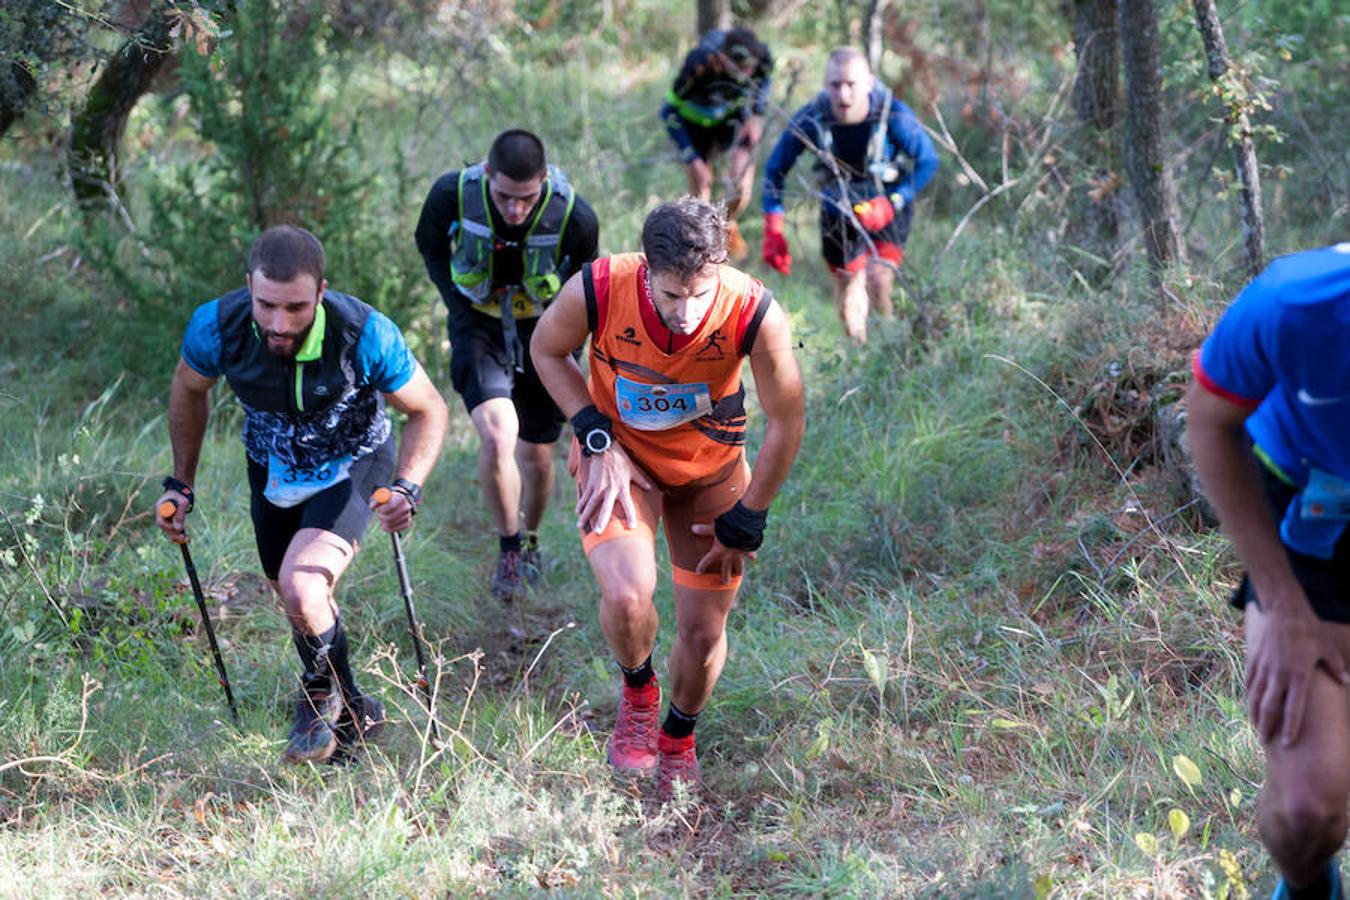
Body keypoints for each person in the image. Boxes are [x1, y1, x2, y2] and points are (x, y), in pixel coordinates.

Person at [531, 198, 804, 798]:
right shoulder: (601, 287)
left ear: (721, 269)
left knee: (703, 633)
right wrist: (592, 432)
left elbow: (787, 420)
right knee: (629, 598)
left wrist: (750, 515)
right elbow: (546, 350)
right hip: (619, 461)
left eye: (699, 294)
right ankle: (638, 694)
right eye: (671, 295)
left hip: (710, 474)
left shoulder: (754, 310)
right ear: (646, 269)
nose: (685, 313)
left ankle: (679, 737)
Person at [155, 225, 449, 764]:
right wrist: (181, 481)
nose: (278, 323)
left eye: (296, 307)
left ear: (321, 291)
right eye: (266, 304)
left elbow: (428, 409)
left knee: (303, 584)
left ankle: (316, 698)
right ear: (249, 286)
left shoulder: (362, 333)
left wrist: (408, 484)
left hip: (355, 463)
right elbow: (188, 391)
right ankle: (357, 711)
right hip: (272, 465)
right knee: (294, 603)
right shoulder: (217, 327)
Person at [1186, 244, 1350, 900]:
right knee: (1307, 812)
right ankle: (1311, 887)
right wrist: (1283, 602)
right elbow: (1207, 418)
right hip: (1313, 519)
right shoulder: (1296, 301)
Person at [415, 129, 600, 601]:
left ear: (543, 180)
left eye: (526, 198)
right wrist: (456, 306)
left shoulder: (573, 214)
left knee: (537, 458)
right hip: (478, 326)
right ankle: (509, 548)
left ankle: (532, 540)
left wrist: (571, 345)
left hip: (545, 334)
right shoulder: (450, 194)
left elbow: (586, 281)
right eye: (504, 197)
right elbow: (429, 243)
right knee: (498, 434)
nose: (515, 210)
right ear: (486, 174)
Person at [760, 46, 939, 344]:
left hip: (888, 203)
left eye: (851, 85)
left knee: (878, 281)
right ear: (825, 84)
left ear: (869, 83)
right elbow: (775, 169)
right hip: (837, 208)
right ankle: (860, 352)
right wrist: (773, 227)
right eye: (835, 85)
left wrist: (894, 201)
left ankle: (891, 345)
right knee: (846, 284)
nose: (843, 95)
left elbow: (928, 161)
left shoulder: (892, 114)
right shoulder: (812, 117)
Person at [661, 26, 774, 261]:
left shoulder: (762, 59)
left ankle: (727, 225)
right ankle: (704, 251)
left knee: (741, 185)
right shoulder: (699, 63)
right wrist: (691, 158)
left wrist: (756, 115)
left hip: (729, 118)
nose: (749, 72)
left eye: (751, 67)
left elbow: (762, 83)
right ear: (722, 58)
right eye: (742, 68)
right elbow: (669, 111)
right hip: (693, 122)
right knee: (701, 187)